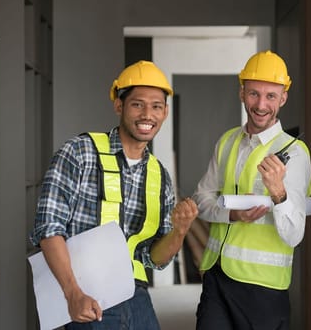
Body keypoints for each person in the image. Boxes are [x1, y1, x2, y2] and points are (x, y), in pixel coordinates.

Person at [29, 60, 198, 329]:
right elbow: (48, 228)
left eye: (156, 106)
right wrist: (73, 293)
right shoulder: (79, 153)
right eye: (137, 104)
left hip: (136, 296)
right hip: (87, 297)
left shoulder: (159, 175)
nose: (147, 114)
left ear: (165, 112)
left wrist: (179, 231)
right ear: (119, 106)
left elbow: (153, 259)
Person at [193, 50, 311, 329]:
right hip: (216, 277)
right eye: (254, 94)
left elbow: (294, 234)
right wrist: (233, 215)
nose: (261, 104)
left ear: (283, 98)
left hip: (263, 289)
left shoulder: (294, 153)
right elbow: (202, 199)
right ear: (241, 93)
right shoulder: (226, 142)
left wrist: (278, 193)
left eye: (271, 96)